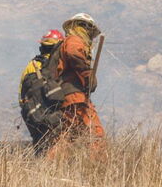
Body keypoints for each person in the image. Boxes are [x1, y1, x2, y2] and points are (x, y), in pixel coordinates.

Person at [46, 13, 105, 158]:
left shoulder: (65, 43)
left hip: (65, 98)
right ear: (83, 28)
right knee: (96, 135)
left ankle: (50, 167)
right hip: (75, 98)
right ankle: (99, 168)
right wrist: (87, 75)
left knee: (67, 137)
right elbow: (73, 53)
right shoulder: (74, 40)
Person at [19, 29, 64, 154]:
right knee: (55, 146)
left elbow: (21, 93)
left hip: (32, 113)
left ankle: (40, 168)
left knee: (40, 146)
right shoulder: (57, 65)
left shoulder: (31, 65)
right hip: (52, 114)